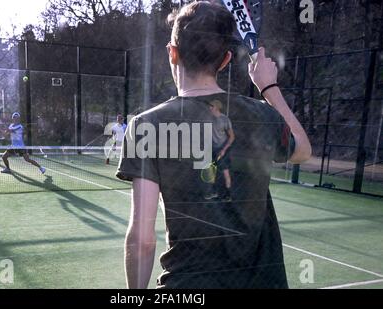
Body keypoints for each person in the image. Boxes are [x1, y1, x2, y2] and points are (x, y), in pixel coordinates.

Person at [116, 1, 311, 289]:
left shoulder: (147, 126)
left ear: (172, 53)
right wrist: (270, 89)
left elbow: (143, 240)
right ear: (225, 60)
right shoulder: (263, 115)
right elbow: (303, 151)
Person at [206, 99, 235, 201]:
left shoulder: (225, 119)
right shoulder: (209, 118)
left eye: (211, 106)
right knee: (211, 171)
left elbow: (232, 137)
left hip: (223, 149)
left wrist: (224, 150)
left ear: (216, 107)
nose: (209, 107)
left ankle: (228, 194)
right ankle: (213, 192)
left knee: (225, 172)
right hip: (212, 149)